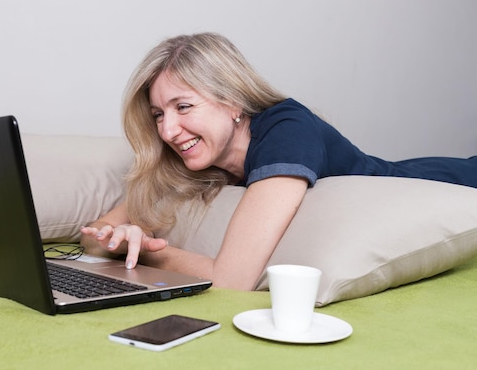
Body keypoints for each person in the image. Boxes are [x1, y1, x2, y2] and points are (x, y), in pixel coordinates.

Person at [80, 32, 477, 291]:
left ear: (233, 101)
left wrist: (146, 250)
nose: (168, 131)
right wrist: (116, 238)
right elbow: (93, 234)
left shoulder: (286, 130)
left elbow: (231, 281)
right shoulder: (194, 155)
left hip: (450, 181)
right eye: (159, 115)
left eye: (183, 106)